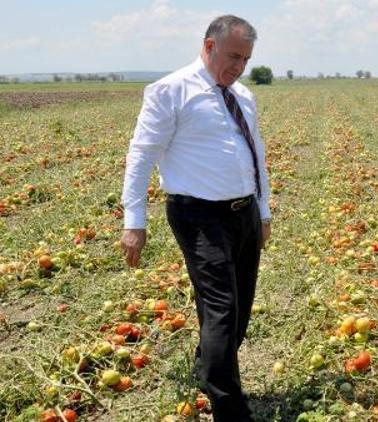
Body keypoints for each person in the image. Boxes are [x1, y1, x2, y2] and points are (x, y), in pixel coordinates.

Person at [120, 15, 271, 421]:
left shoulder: (243, 96)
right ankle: (229, 407)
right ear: (209, 46)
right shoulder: (171, 91)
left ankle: (209, 364)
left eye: (246, 58)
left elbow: (256, 154)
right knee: (221, 307)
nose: (239, 66)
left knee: (236, 308)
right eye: (233, 56)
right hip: (198, 214)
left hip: (243, 213)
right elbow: (141, 156)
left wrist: (263, 209)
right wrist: (134, 221)